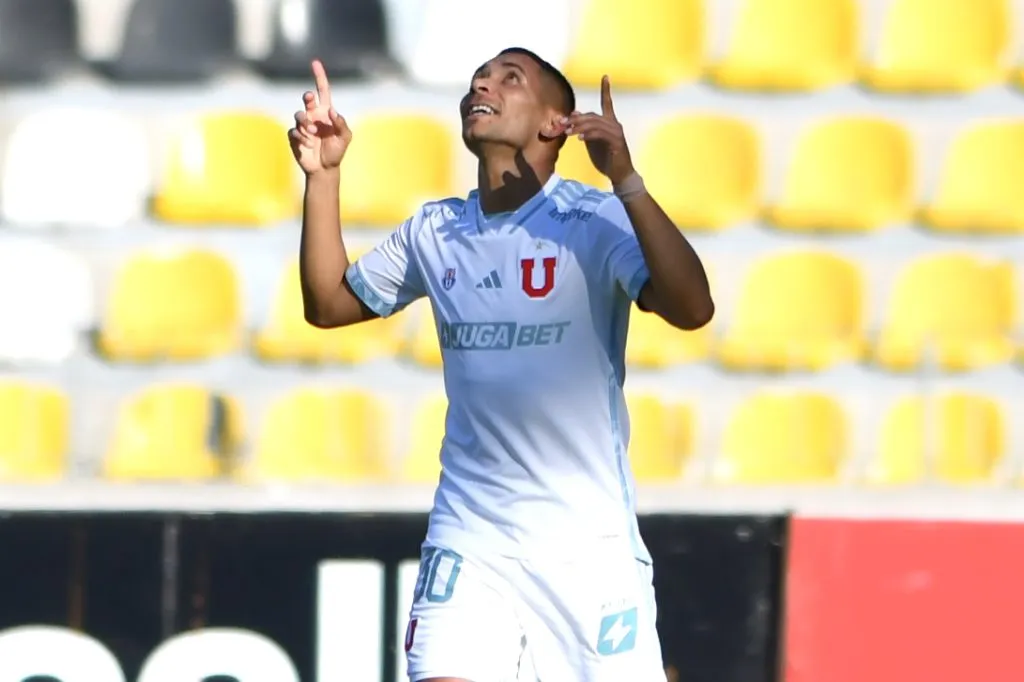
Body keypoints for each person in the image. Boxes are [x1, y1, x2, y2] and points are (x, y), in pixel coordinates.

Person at [288, 48, 714, 682]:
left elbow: (693, 308)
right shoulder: (435, 230)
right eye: (477, 79)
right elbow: (328, 304)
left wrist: (626, 181)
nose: (482, 85)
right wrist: (323, 176)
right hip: (471, 537)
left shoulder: (592, 221)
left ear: (555, 124)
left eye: (509, 78)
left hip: (585, 549)